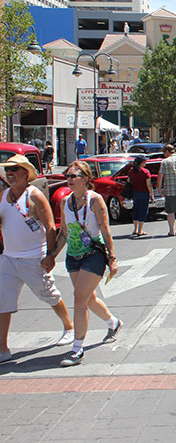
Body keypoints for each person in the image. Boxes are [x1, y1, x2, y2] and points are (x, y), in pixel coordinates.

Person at [0, 155, 74, 364]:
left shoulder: (35, 196)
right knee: (2, 303)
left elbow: (51, 227)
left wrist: (50, 256)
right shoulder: (3, 195)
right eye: (8, 170)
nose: (10, 174)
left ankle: (68, 327)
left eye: (15, 169)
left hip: (34, 258)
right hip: (8, 259)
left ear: (26, 173)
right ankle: (3, 349)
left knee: (49, 295)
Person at [53, 160, 121, 367]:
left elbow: (106, 229)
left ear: (86, 179)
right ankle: (113, 322)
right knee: (88, 298)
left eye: (74, 176)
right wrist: (51, 256)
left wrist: (112, 258)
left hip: (94, 254)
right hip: (73, 256)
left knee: (79, 298)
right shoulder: (65, 202)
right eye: (68, 176)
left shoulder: (95, 200)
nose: (69, 179)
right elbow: (64, 232)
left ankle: (77, 349)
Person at [128, 156, 154, 237]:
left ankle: (135, 229)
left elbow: (129, 181)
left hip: (135, 193)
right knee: (143, 211)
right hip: (144, 193)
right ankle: (140, 230)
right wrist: (152, 195)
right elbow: (149, 185)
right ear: (141, 163)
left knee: (136, 210)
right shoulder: (145, 172)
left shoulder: (131, 171)